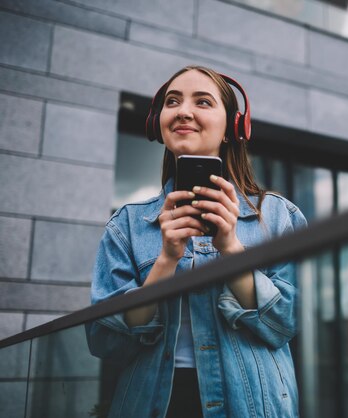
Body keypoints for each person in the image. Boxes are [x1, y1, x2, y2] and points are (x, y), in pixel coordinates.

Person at [86, 65, 306, 418]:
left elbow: (288, 322)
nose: (183, 111)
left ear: (234, 127)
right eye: (172, 101)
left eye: (202, 101)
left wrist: (231, 248)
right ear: (158, 122)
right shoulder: (127, 225)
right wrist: (165, 261)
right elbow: (105, 340)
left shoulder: (280, 217)